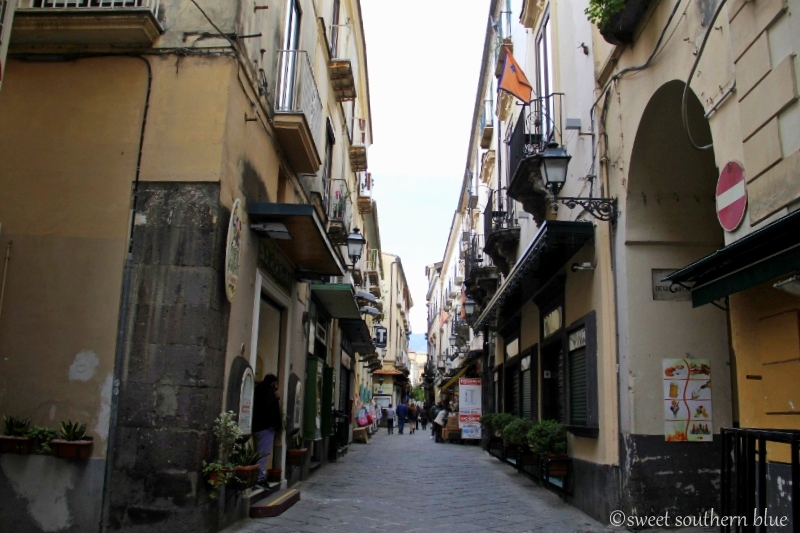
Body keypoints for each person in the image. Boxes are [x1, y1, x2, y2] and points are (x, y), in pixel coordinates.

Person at [252, 374, 281, 485]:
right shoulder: (268, 393)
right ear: (273, 383)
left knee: (258, 452)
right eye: (276, 383)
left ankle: (257, 475)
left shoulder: (258, 389)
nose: (277, 386)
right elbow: (269, 409)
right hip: (265, 428)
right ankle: (260, 478)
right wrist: (276, 398)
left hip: (257, 427)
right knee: (263, 453)